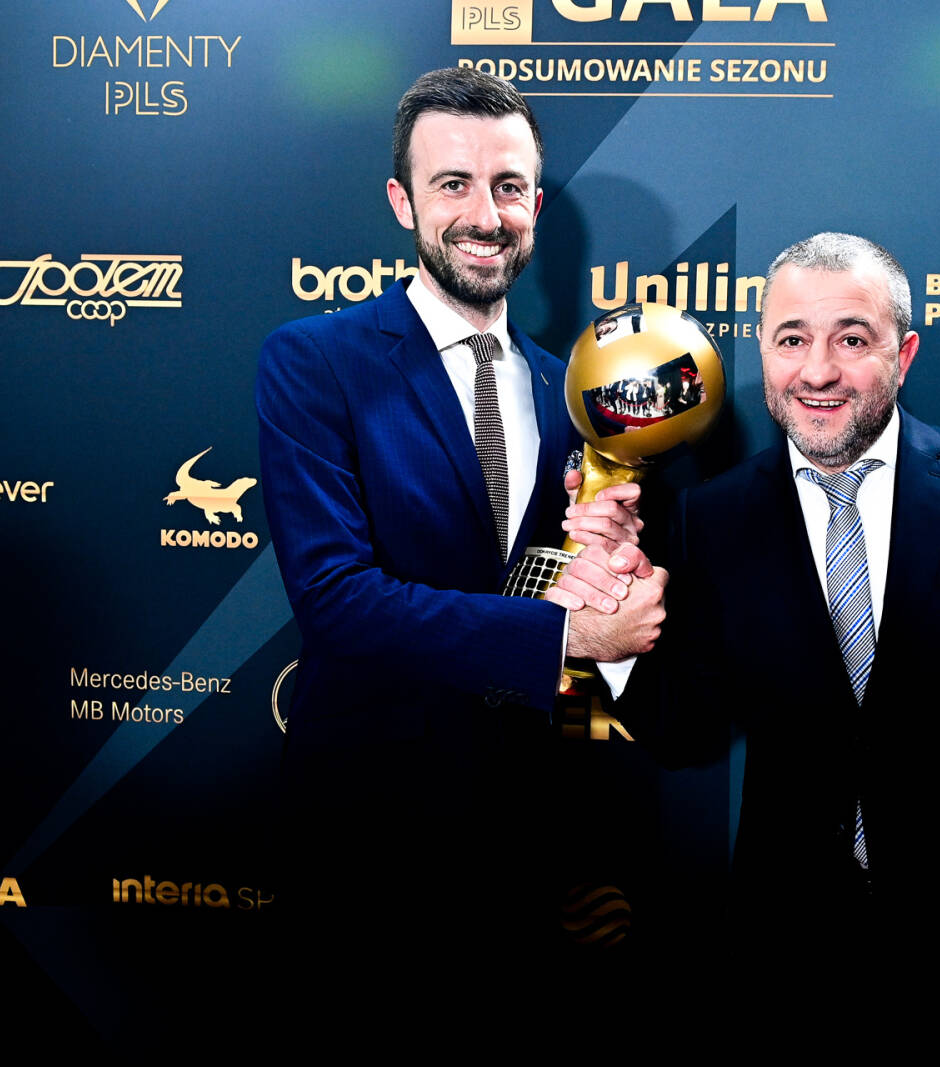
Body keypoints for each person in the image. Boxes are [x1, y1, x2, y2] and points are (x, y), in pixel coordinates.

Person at [550, 233, 940, 1050]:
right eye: (792, 339)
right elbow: (684, 730)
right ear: (764, 352)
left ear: (904, 353)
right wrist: (613, 622)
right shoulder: (712, 516)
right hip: (784, 960)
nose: (818, 371)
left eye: (852, 339)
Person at [254, 67, 662, 977]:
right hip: (363, 837)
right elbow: (335, 600)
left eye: (508, 187)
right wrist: (567, 634)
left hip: (525, 837)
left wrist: (607, 567)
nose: (485, 214)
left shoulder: (570, 389)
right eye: (454, 184)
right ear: (403, 202)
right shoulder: (315, 361)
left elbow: (547, 585)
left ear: (535, 208)